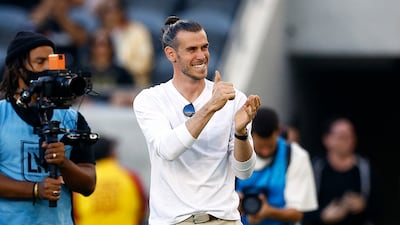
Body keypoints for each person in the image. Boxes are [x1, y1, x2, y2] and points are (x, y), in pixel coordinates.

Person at [133, 16, 261, 225]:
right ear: (171, 54)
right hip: (173, 221)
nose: (201, 56)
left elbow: (244, 172)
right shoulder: (150, 99)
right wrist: (210, 106)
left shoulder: (234, 97)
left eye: (205, 47)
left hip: (223, 219)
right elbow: (168, 149)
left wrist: (241, 133)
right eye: (192, 49)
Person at [0, 31, 96, 225]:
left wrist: (64, 163)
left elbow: (89, 184)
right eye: (40, 61)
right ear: (18, 68)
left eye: (50, 62)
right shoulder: (1, 114)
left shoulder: (72, 119)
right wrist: (35, 189)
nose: (47, 69)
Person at [235, 107, 318, 225]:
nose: (265, 152)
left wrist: (268, 211)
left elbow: (297, 213)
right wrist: (233, 202)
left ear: (278, 132)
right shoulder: (235, 152)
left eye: (270, 146)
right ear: (250, 135)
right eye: (260, 147)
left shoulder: (295, 156)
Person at [303, 117, 383, 225]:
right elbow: (301, 207)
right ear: (327, 140)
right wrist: (322, 215)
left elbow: (379, 207)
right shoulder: (316, 168)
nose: (347, 141)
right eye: (341, 137)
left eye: (350, 136)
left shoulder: (365, 169)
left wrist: (363, 205)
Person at [73, 136, 147, 225]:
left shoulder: (82, 181)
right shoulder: (130, 177)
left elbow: (74, 214)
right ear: (111, 154)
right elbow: (143, 209)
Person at [95, 0, 154, 88]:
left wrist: (119, 68)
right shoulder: (101, 34)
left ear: (121, 11)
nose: (109, 16)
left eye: (112, 10)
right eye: (105, 11)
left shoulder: (138, 32)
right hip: (105, 83)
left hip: (132, 85)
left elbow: (144, 65)